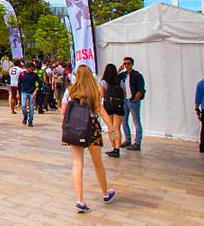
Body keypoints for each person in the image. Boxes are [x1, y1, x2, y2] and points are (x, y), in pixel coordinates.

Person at [62, 65, 116, 214]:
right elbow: (102, 112)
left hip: (74, 128)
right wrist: (111, 129)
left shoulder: (70, 91)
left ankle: (80, 200)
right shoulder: (94, 91)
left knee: (77, 163)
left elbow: (63, 111)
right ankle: (105, 193)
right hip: (92, 128)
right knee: (98, 163)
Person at [119, 57, 146, 151]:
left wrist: (135, 98)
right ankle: (128, 140)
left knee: (136, 121)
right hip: (124, 100)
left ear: (132, 64)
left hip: (132, 100)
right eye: (125, 63)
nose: (126, 65)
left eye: (128, 63)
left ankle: (137, 143)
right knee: (124, 120)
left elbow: (141, 89)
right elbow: (112, 78)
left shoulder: (137, 75)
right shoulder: (123, 75)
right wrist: (119, 69)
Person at [100, 63, 125, 158]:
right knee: (117, 127)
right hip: (119, 105)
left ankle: (114, 147)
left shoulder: (104, 82)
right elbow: (124, 94)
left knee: (111, 128)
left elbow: (102, 95)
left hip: (108, 105)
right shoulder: (120, 81)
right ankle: (117, 149)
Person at [19, 62, 40, 126]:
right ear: (27, 68)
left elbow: (40, 83)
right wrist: (18, 92)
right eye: (31, 68)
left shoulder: (34, 75)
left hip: (32, 92)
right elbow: (19, 84)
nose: (32, 69)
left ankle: (30, 121)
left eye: (33, 68)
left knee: (31, 107)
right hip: (24, 92)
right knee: (23, 106)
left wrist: (35, 91)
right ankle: (25, 116)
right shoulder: (22, 74)